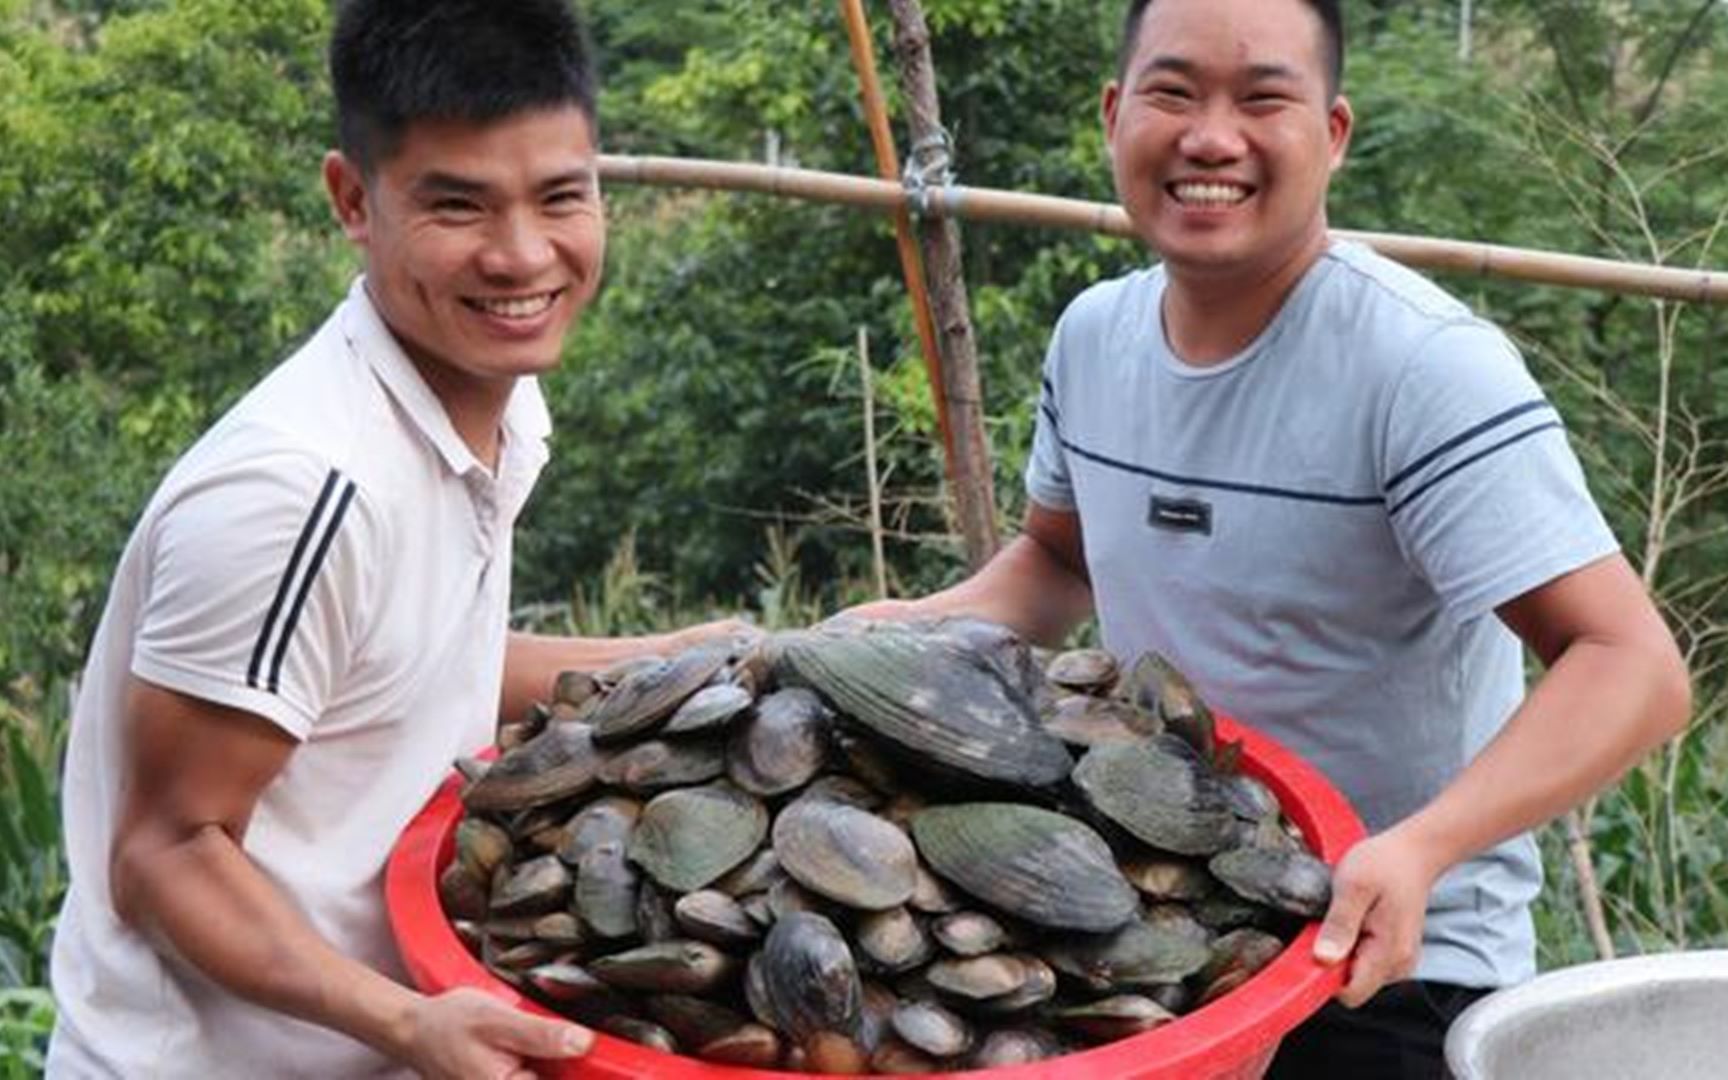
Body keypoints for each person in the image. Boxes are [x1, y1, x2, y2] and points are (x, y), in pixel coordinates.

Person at [851, 0, 1692, 1076]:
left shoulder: (1422, 367)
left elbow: (1633, 666)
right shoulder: (1094, 339)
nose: (1211, 136)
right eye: (1172, 92)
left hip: (1388, 965)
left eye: (1262, 98)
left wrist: (1421, 848)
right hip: (1166, 928)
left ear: (1331, 134)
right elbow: (1059, 563)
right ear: (1115, 116)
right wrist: (898, 633)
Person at [45, 1, 746, 1076]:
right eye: (458, 206)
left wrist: (713, 654)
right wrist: (407, 1022)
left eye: (560, 196)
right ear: (351, 200)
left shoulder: (488, 405)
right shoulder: (296, 492)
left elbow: (399, 675)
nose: (522, 256)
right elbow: (166, 852)